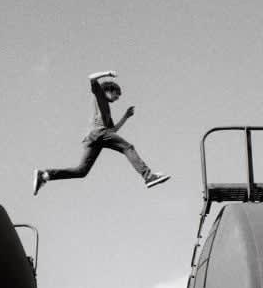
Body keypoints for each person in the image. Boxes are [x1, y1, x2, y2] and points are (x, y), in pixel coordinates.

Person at [33, 70, 170, 195]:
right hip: (99, 134)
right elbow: (91, 77)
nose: (117, 98)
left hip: (94, 138)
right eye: (116, 95)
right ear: (108, 91)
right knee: (128, 147)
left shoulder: (107, 111)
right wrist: (108, 73)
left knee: (81, 171)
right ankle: (148, 177)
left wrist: (125, 117)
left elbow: (113, 131)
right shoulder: (99, 95)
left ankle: (45, 175)